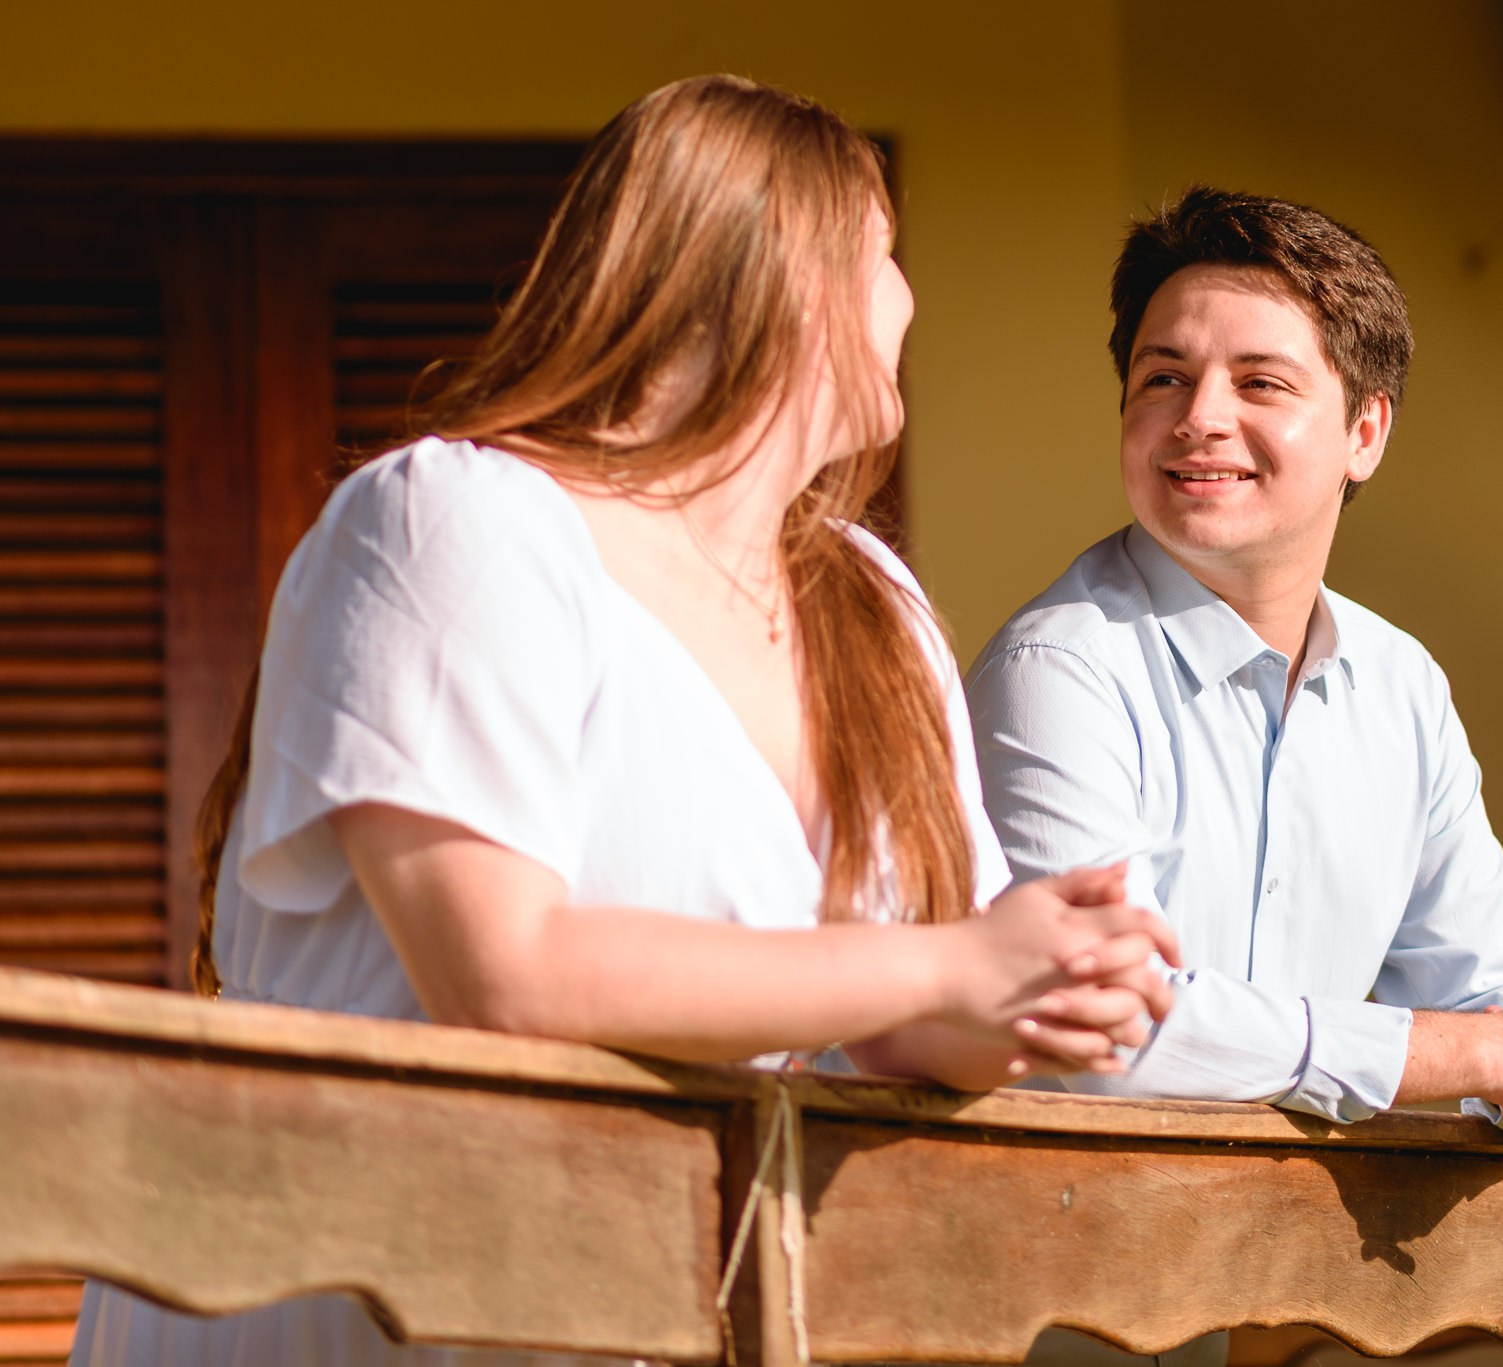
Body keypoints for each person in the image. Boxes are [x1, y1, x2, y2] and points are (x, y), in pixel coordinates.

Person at [70, 76, 1177, 1367]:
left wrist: (1052, 983)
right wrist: (954, 965)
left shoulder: (873, 606)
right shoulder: (458, 520)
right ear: (793, 270)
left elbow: (895, 1012)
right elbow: (506, 972)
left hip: (657, 1305)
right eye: (885, 253)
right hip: (366, 1308)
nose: (911, 299)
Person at [966, 186, 1503, 1176]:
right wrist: (1489, 1053)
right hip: (1024, 1294)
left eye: (1259, 383)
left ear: (1364, 433)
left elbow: (1483, 980)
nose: (1198, 418)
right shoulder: (1057, 668)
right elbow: (1104, 1027)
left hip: (1246, 1298)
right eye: (1162, 376)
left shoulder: (1400, 686)